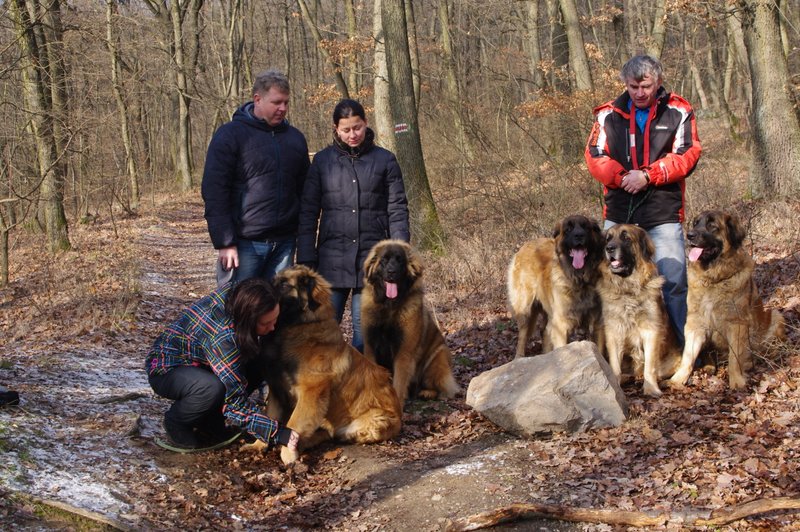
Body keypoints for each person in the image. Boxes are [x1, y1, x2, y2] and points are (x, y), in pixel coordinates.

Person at [585, 55, 702, 346]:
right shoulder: (607, 115)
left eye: (646, 86)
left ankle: (686, 352)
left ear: (658, 82)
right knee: (610, 284)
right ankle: (613, 354)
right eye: (633, 86)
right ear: (625, 84)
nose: (639, 92)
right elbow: (594, 156)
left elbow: (687, 154)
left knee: (673, 283)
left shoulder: (679, 110)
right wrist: (622, 176)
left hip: (663, 212)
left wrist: (649, 175)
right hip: (619, 214)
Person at [296, 99, 410, 352]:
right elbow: (308, 213)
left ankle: (361, 376)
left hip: (372, 263)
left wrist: (399, 254)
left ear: (366, 123)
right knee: (321, 333)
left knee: (366, 334)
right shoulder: (322, 162)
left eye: (357, 127)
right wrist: (305, 256)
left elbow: (397, 209)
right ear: (336, 129)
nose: (352, 134)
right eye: (346, 130)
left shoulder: (385, 160)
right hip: (330, 260)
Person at [145, 278, 298, 451]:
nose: (272, 328)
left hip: (203, 362)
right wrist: (278, 432)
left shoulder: (240, 295)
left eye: (274, 320)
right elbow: (234, 401)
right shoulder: (223, 338)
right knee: (211, 388)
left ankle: (211, 421)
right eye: (265, 323)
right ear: (248, 319)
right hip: (167, 368)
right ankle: (177, 421)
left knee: (260, 360)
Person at [202, 69, 310, 286]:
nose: (283, 108)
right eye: (276, 102)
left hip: (285, 243)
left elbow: (304, 190)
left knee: (278, 306)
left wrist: (301, 235)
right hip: (244, 244)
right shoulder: (230, 135)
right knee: (240, 304)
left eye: (286, 103)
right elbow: (215, 191)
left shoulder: (295, 139)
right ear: (257, 99)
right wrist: (225, 242)